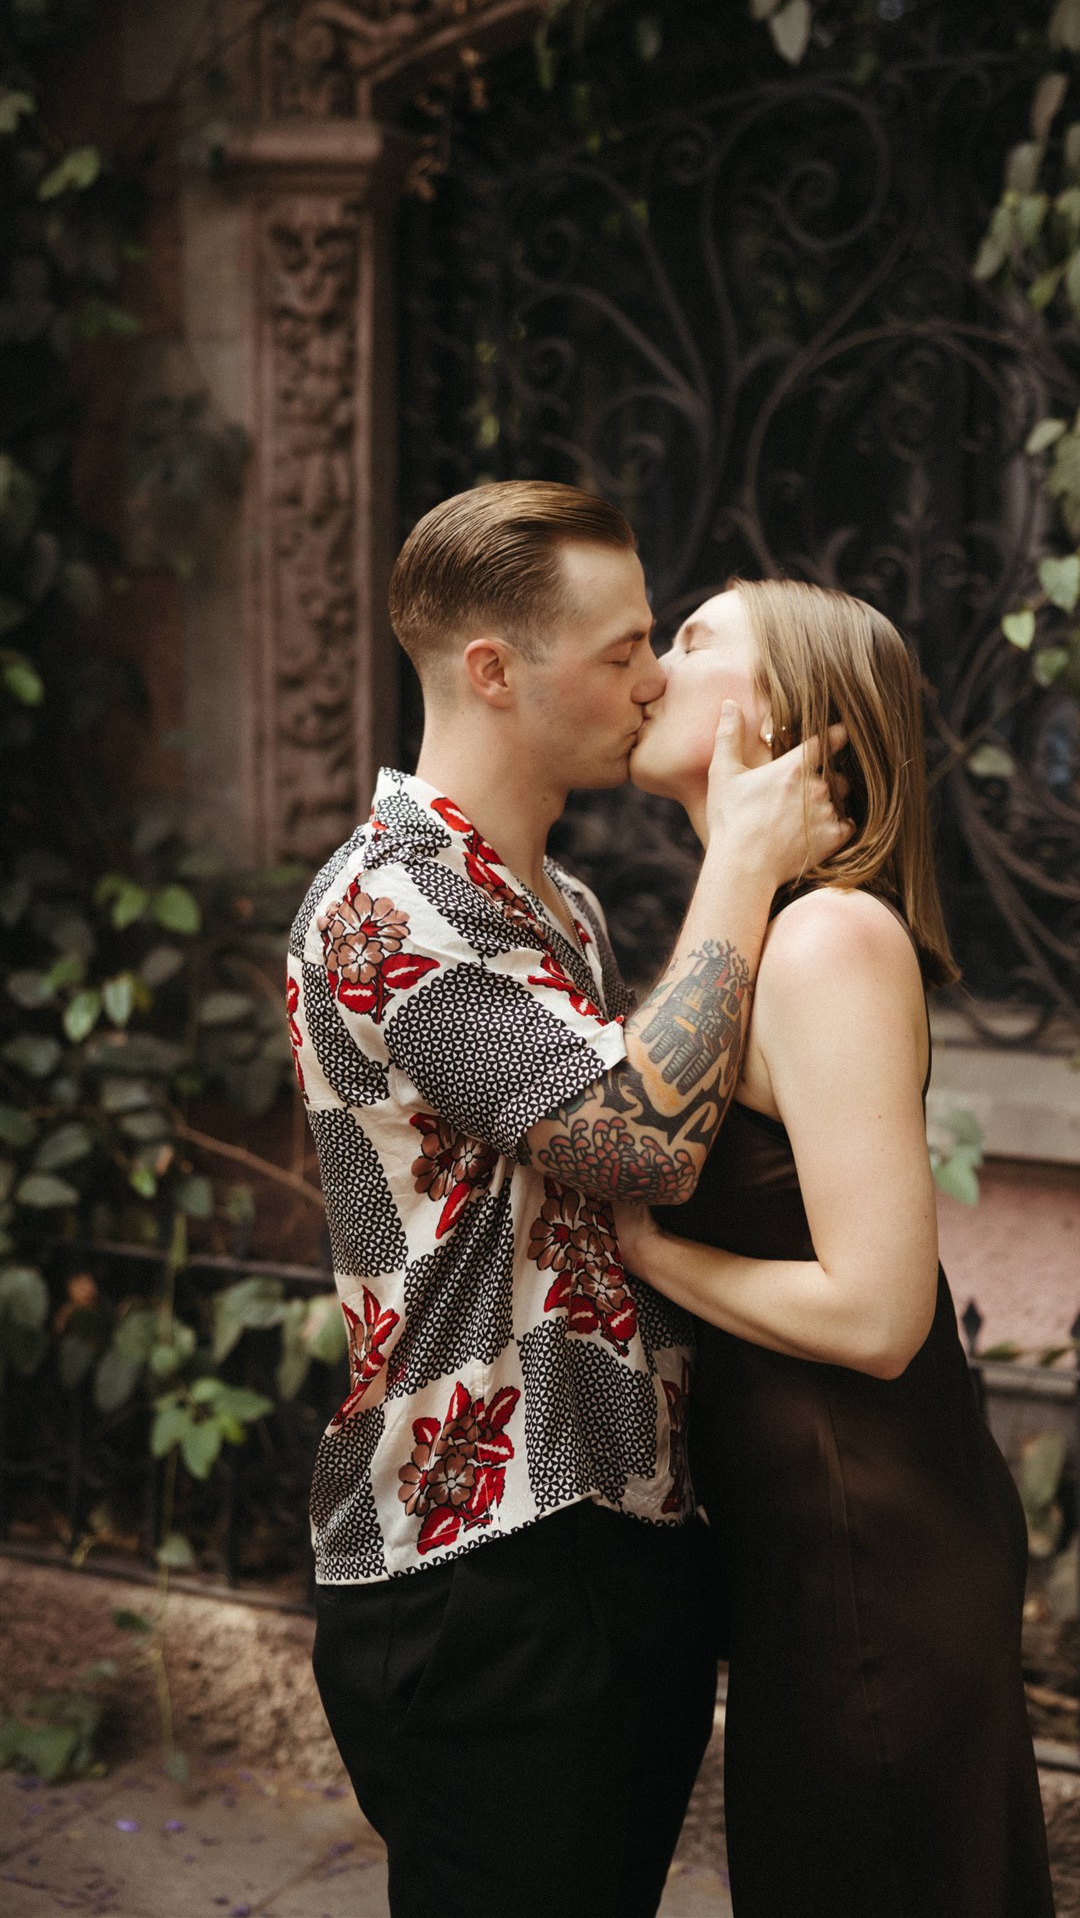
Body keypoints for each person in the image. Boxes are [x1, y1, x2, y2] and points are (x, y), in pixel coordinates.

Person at [287, 483, 851, 1918]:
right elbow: (641, 1146)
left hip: (607, 1535)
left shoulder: (564, 907)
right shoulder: (389, 907)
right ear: (492, 670)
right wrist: (738, 857)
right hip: (482, 1562)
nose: (652, 677)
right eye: (619, 651)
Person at [617, 577, 1056, 1918]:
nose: (649, 664)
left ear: (805, 728)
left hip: (873, 1543)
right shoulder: (756, 931)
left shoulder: (825, 939)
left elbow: (877, 1313)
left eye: (693, 643)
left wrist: (646, 1255)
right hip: (810, 1543)